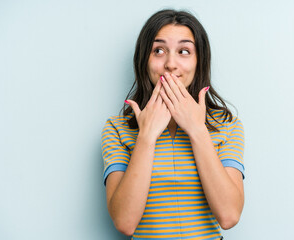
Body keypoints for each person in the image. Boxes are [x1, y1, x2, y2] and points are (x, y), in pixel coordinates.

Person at [101, 9, 245, 240]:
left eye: (184, 51)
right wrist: (146, 136)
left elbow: (229, 216)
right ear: (143, 60)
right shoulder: (116, 129)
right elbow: (124, 222)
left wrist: (197, 130)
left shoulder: (227, 126)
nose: (170, 64)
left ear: (199, 61)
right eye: (158, 50)